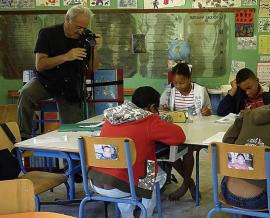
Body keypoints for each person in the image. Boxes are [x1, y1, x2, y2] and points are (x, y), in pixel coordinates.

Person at [88, 86, 186, 218]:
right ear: (152, 107)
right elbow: (179, 136)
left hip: (96, 181)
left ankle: (127, 215)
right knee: (155, 173)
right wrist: (161, 120)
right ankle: (145, 215)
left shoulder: (111, 116)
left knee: (130, 167)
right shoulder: (149, 120)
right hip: (121, 186)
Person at [17, 5, 102, 140]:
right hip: (45, 81)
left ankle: (74, 155)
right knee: (26, 93)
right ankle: (22, 137)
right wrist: (66, 56)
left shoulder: (86, 36)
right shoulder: (47, 34)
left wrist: (95, 48)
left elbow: (93, 68)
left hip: (70, 86)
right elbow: (40, 65)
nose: (81, 31)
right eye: (78, 27)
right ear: (67, 19)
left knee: (74, 132)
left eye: (84, 28)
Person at [159, 62, 212, 201]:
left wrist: (207, 112)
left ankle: (184, 186)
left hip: (196, 129)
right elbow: (162, 109)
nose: (178, 86)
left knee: (187, 150)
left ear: (189, 78)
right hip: (176, 129)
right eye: (175, 83)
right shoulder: (170, 90)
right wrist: (164, 108)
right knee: (169, 151)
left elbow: (209, 111)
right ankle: (189, 183)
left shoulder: (200, 90)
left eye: (181, 82)